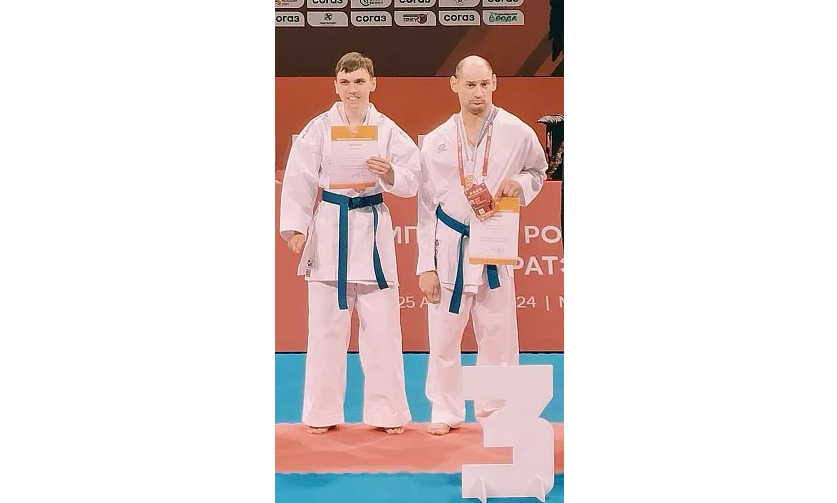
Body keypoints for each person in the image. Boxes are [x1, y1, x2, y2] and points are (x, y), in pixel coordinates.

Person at [279, 52, 419, 435]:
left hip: (372, 230)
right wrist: (295, 228)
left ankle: (388, 413)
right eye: (345, 82)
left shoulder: (387, 129)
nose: (352, 89)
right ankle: (321, 412)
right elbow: (299, 177)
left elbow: (414, 175)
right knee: (325, 329)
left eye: (359, 81)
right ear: (335, 86)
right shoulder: (319, 128)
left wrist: (391, 173)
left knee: (383, 330)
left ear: (373, 83)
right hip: (331, 228)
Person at [416, 55, 548, 435]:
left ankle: (495, 412)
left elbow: (537, 170)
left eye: (484, 84)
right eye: (470, 85)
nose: (478, 92)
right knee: (444, 335)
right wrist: (425, 265)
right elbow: (425, 208)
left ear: (495, 83)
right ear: (454, 85)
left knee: (497, 336)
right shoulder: (437, 141)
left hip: (494, 244)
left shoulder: (517, 132)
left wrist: (520, 184)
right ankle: (446, 410)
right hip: (449, 246)